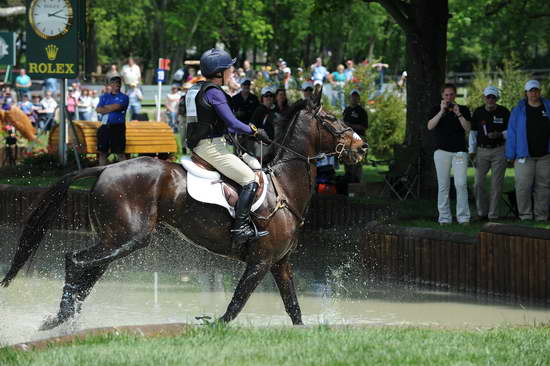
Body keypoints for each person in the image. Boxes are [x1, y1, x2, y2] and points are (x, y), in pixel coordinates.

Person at [185, 48, 269, 246]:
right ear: (218, 73)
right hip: (212, 148)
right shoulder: (214, 93)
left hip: (199, 144)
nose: (232, 72)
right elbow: (232, 123)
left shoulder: (195, 88)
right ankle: (240, 228)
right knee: (250, 179)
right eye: (229, 69)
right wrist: (255, 131)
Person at [505, 79, 550, 221]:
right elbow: (512, 134)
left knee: (543, 187)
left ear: (540, 92)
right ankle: (525, 215)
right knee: (523, 186)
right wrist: (510, 155)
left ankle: (541, 216)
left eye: (536, 90)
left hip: (545, 156)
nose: (533, 93)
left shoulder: (548, 107)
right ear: (526, 93)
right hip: (523, 156)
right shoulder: (518, 110)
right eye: (530, 91)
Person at [427, 83, 472, 225]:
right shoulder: (436, 109)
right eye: (446, 95)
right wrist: (441, 111)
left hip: (459, 152)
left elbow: (468, 128)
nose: (449, 97)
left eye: (451, 94)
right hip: (441, 152)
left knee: (461, 184)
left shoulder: (463, 109)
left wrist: (458, 113)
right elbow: (430, 126)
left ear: (455, 95)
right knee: (443, 185)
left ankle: (463, 217)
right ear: (442, 96)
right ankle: (445, 218)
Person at [469, 86, 510, 221]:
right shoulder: (478, 112)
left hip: (499, 150)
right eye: (488, 97)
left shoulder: (504, 112)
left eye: (493, 97)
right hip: (482, 151)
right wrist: (472, 152)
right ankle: (482, 212)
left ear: (497, 98)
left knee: (496, 184)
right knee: (478, 183)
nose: (491, 99)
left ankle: (493, 215)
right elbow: (473, 133)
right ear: (484, 98)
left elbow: (510, 132)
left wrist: (499, 134)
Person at [95, 76, 129, 166]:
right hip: (105, 126)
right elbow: (98, 109)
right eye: (114, 82)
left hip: (118, 127)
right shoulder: (104, 96)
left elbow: (118, 107)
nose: (117, 84)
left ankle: (125, 174)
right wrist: (111, 107)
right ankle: (101, 172)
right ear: (111, 85)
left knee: (120, 153)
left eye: (119, 83)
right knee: (102, 153)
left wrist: (106, 108)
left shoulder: (124, 97)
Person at [342, 90, 368, 183]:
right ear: (350, 98)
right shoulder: (346, 110)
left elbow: (364, 126)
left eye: (356, 97)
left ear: (359, 99)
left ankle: (357, 181)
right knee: (347, 159)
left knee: (357, 160)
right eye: (352, 97)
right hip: (347, 137)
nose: (354, 99)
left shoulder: (361, 111)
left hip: (358, 137)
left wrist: (351, 125)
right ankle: (348, 179)